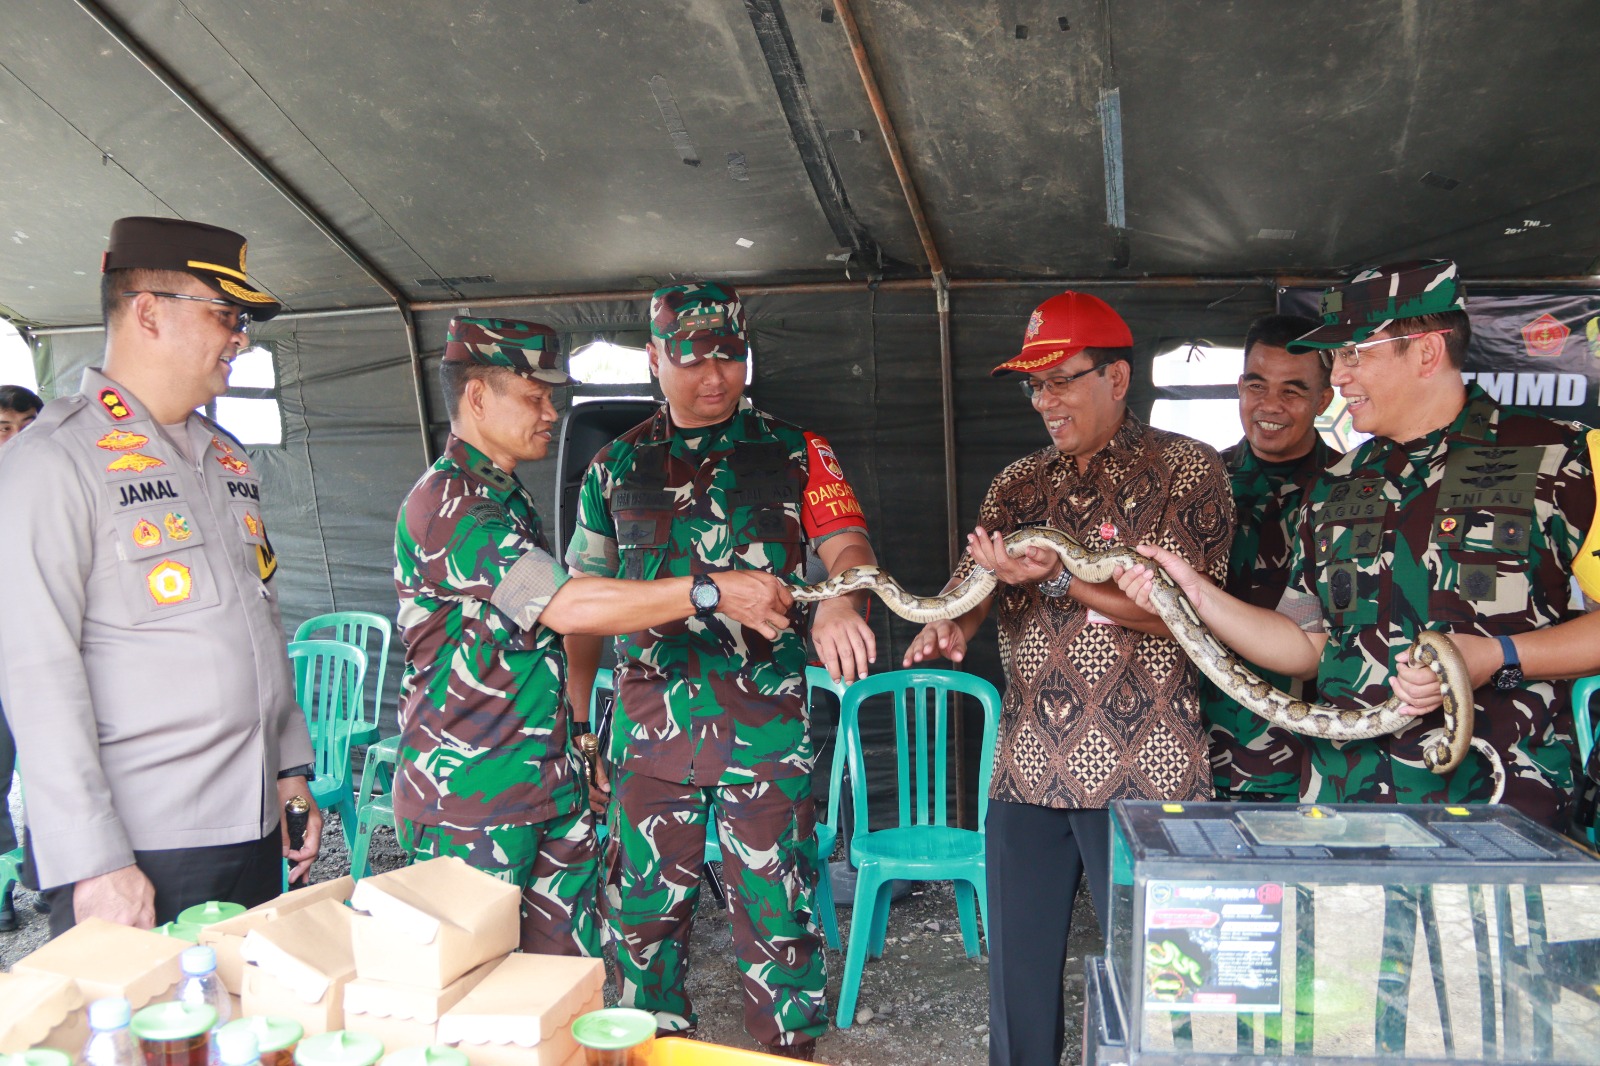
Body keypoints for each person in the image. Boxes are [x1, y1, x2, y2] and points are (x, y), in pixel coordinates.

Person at [1115, 260, 1596, 828]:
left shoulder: (1569, 458)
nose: (1338, 376)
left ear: (1426, 351)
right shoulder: (1334, 485)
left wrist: (1500, 658)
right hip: (1347, 801)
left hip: (1501, 800)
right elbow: (1305, 643)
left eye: (1353, 354)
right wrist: (1195, 594)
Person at [391, 316, 793, 957]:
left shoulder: (505, 498)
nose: (552, 412)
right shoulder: (451, 506)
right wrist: (710, 589)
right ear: (477, 398)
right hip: (470, 801)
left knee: (564, 985)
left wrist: (579, 735)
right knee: (477, 993)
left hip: (543, 787)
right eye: (534, 397)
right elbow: (567, 605)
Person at [903, 291, 1234, 1066]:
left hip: (1147, 773)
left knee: (1162, 986)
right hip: (1027, 767)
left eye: (1061, 380)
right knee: (1018, 987)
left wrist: (1060, 580)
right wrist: (952, 625)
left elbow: (1188, 617)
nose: (1045, 401)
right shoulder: (1018, 483)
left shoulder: (1187, 470)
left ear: (1116, 378)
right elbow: (976, 587)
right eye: (1035, 386)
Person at [564, 283, 878, 1060]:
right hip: (650, 738)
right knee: (641, 933)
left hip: (764, 735)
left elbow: (848, 546)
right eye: (693, 359)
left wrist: (843, 603)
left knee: (781, 931)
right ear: (655, 358)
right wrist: (579, 723)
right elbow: (582, 607)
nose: (715, 376)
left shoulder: (798, 451)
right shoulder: (614, 466)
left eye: (730, 357)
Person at [0, 217, 320, 936]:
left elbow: (260, 628)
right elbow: (36, 673)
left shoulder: (224, 456)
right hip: (143, 846)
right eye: (226, 315)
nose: (240, 338)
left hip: (251, 823)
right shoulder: (53, 460)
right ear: (148, 311)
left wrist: (289, 772)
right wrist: (94, 860)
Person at [1204, 314, 1341, 801]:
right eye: (1257, 386)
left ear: (1324, 400)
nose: (1270, 406)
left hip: (1313, 761)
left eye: (1293, 391)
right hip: (1197, 751)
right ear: (1239, 387)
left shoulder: (1354, 492)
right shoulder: (1198, 485)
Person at [0, 383, 43, 932]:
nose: (15, 439)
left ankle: (55, 878)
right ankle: (1, 895)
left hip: (43, 661)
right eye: (2, 429)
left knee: (54, 771)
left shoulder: (55, 489)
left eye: (28, 426)